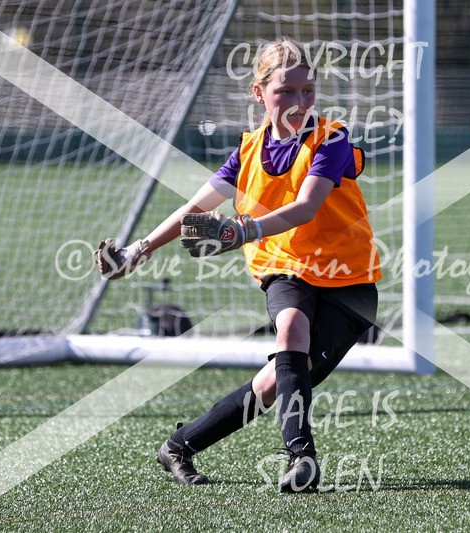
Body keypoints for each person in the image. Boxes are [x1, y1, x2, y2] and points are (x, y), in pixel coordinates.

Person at [94, 36, 382, 493]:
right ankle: (302, 459)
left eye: (307, 90)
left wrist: (241, 230)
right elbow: (195, 209)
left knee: (270, 385)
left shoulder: (332, 138)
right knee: (290, 328)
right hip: (285, 267)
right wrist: (138, 250)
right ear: (259, 93)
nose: (298, 101)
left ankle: (179, 446)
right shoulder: (248, 152)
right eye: (285, 91)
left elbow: (307, 207)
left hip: (350, 283)